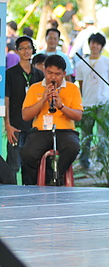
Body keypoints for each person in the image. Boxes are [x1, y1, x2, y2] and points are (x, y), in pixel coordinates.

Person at [20, 55, 83, 185]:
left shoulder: (73, 89)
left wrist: (61, 106)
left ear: (64, 74)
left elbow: (78, 116)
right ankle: (34, 185)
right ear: (44, 70)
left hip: (65, 131)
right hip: (41, 131)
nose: (53, 77)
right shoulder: (35, 88)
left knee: (73, 147)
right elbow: (26, 116)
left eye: (57, 74)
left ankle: (55, 178)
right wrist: (43, 100)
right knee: (27, 153)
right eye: (49, 73)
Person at [75, 33, 109, 169]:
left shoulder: (108, 62)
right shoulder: (81, 64)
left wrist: (107, 92)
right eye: (92, 43)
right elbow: (81, 84)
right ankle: (84, 161)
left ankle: (101, 161)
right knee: (86, 134)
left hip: (103, 103)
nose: (94, 46)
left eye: (97, 44)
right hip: (87, 103)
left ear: (102, 46)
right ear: (89, 45)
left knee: (102, 134)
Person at [4, 36, 45, 183]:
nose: (26, 51)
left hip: (34, 127)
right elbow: (6, 100)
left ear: (33, 50)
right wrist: (7, 125)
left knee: (31, 164)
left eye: (28, 48)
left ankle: (31, 195)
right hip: (15, 125)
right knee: (13, 165)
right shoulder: (10, 74)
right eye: (22, 48)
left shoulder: (39, 75)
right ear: (17, 51)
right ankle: (12, 197)